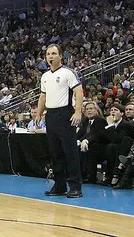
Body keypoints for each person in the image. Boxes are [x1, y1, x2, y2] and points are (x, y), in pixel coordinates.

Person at [35, 44, 84, 198]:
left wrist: (77, 111)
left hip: (65, 114)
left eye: (54, 53)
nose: (50, 56)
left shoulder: (68, 73)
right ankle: (59, 185)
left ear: (61, 56)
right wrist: (39, 113)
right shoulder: (45, 76)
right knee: (55, 152)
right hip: (51, 115)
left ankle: (75, 186)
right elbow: (43, 96)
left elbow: (78, 91)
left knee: (70, 152)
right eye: (48, 54)